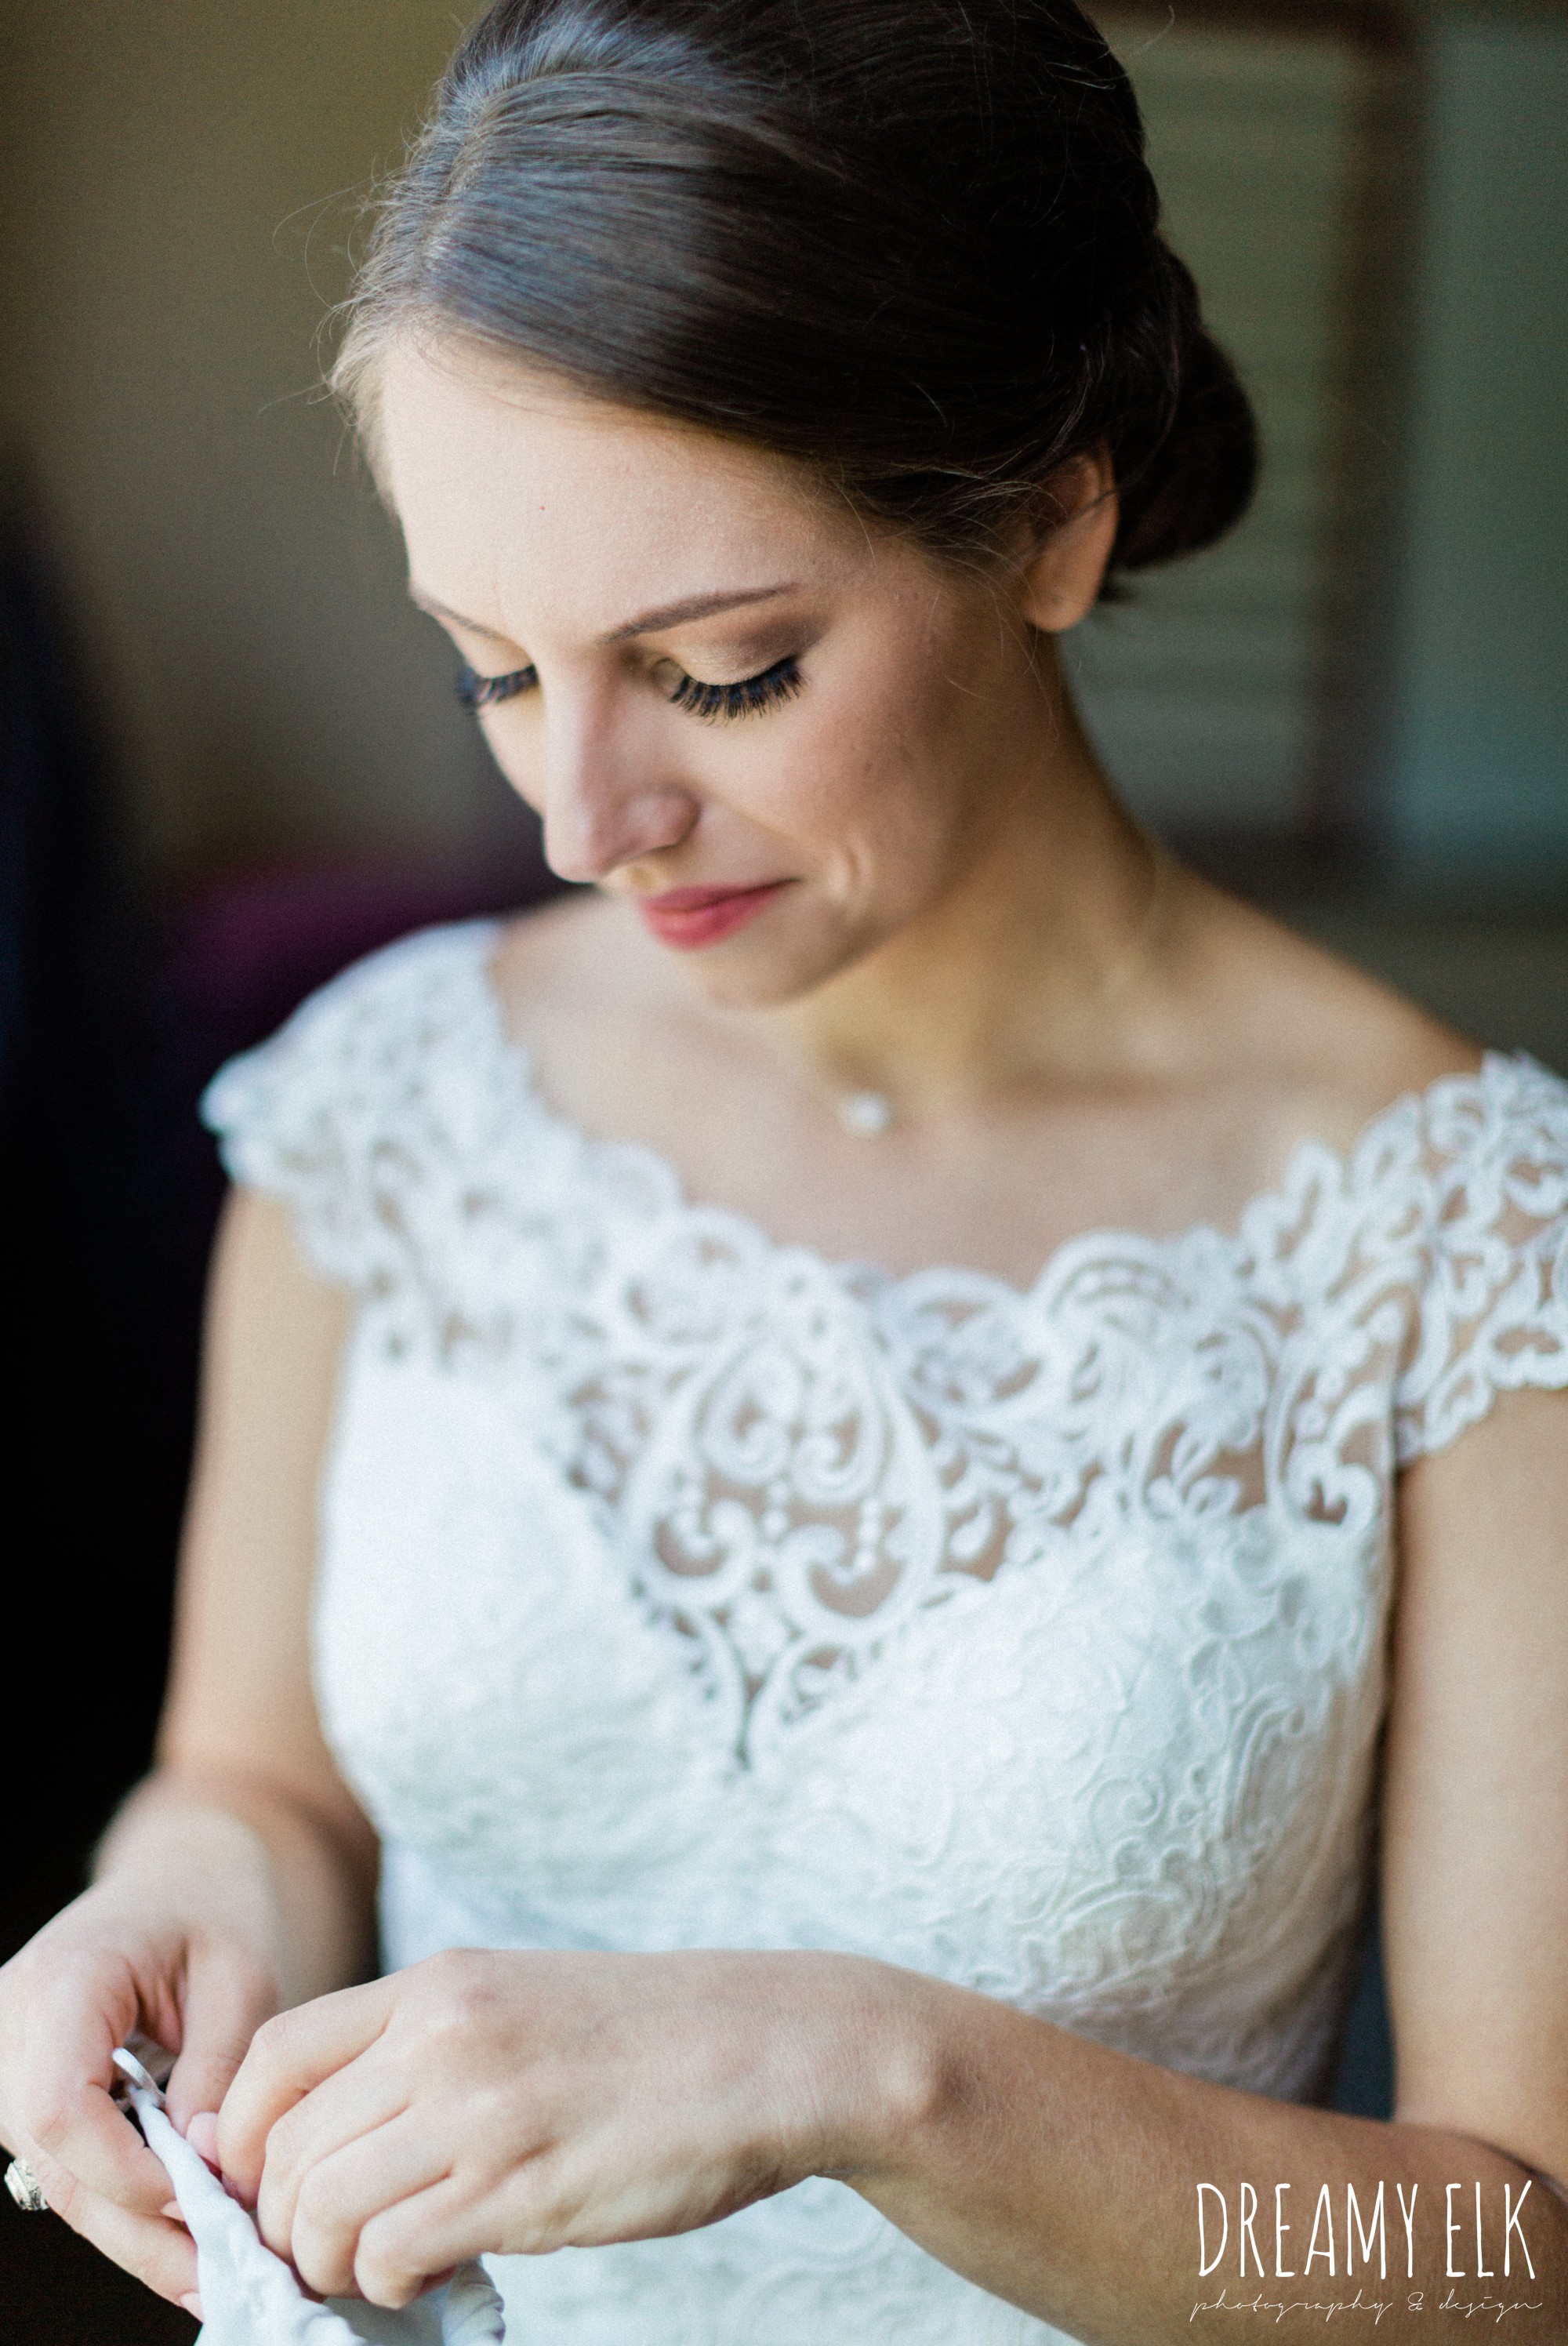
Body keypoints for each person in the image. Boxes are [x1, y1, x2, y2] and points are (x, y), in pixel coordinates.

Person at [3, 2, 1566, 2338]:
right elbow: (267, 1787)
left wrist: (877, 2072)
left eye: (724, 668)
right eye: (491, 672)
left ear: (1053, 518)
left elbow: (1493, 2253)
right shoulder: (389, 1107)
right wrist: (180, 1886)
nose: (576, 822)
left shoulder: (1465, 1235)